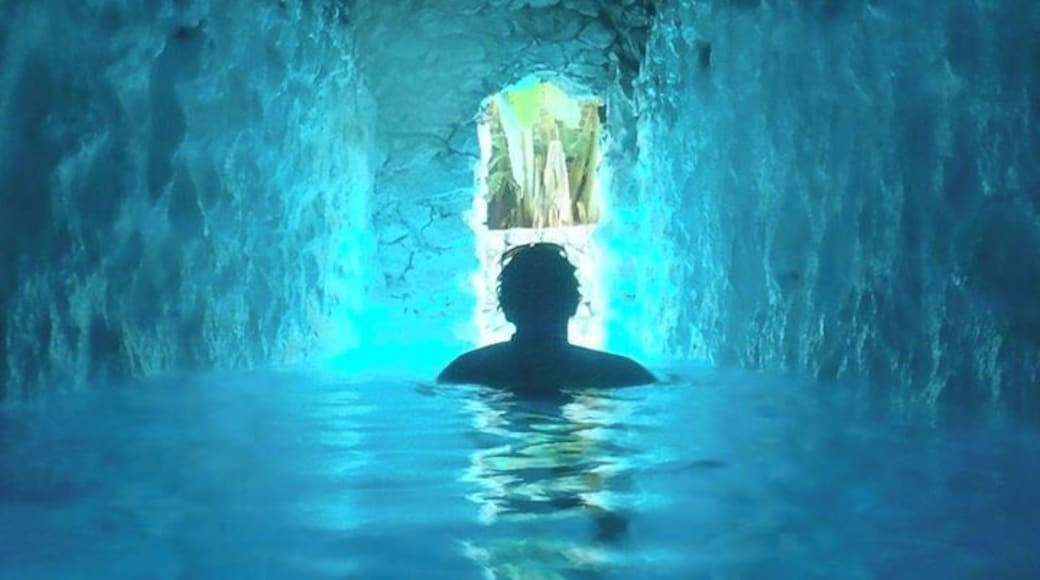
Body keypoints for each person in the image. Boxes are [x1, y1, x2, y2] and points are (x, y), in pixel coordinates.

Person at [438, 243, 656, 389]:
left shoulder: (464, 373)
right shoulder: (623, 375)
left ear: (505, 308)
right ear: (574, 303)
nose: (538, 302)